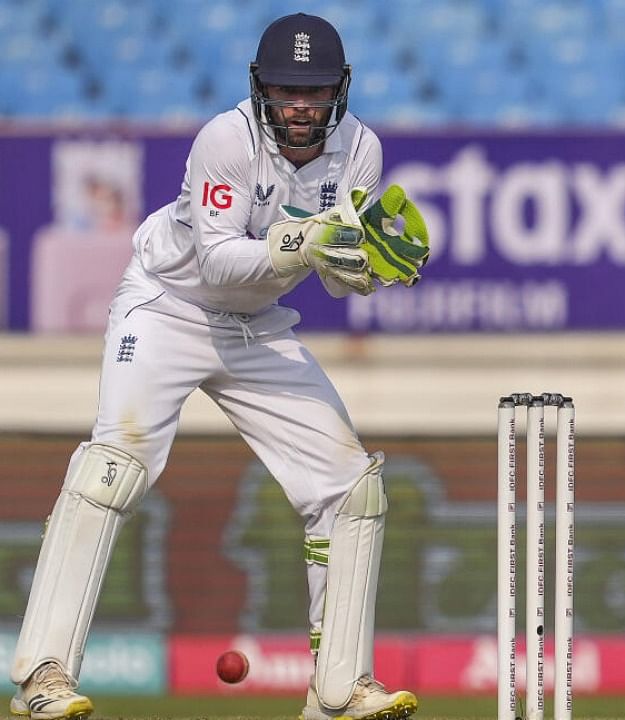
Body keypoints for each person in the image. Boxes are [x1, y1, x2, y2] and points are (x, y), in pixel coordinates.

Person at [9, 14, 426, 720]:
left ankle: (341, 690)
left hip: (257, 325)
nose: (302, 106)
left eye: (316, 91)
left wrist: (362, 271)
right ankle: (42, 678)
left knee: (351, 488)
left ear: (340, 90)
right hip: (169, 307)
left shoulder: (360, 150)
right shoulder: (226, 140)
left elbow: (329, 277)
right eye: (288, 91)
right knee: (115, 467)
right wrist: (306, 241)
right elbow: (218, 258)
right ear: (262, 88)